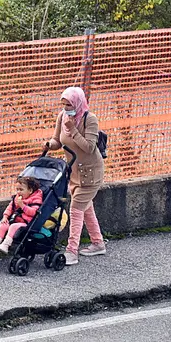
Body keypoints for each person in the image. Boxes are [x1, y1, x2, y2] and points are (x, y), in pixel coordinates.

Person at [44, 86, 106, 265]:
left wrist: (73, 129)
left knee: (76, 209)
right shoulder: (62, 117)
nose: (66, 108)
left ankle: (72, 251)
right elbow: (58, 141)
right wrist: (49, 144)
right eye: (63, 104)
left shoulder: (90, 119)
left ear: (78, 103)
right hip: (74, 173)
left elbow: (89, 147)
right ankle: (98, 243)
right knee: (87, 208)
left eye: (69, 104)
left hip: (91, 173)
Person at [0, 176, 43, 254]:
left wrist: (23, 206)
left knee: (13, 226)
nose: (18, 192)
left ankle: (5, 245)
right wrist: (5, 217)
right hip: (15, 220)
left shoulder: (36, 199)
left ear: (30, 190)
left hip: (27, 222)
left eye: (21, 190)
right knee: (3, 224)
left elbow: (33, 212)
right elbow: (10, 207)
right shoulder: (16, 198)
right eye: (17, 189)